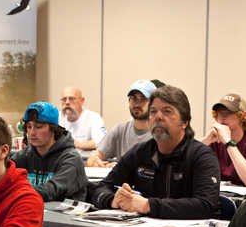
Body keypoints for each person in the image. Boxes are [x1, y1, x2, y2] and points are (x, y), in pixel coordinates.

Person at [91, 85, 220, 219]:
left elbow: (207, 205)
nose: (158, 117)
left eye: (167, 111)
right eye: (153, 111)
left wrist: (149, 205)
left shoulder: (201, 156)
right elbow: (101, 188)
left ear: (185, 122)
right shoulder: (140, 152)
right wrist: (112, 200)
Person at [10, 101, 87, 227]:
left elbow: (50, 190)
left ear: (53, 129)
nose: (32, 132)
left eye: (39, 127)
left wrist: (12, 194)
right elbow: (3, 177)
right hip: (33, 223)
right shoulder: (24, 155)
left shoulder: (71, 158)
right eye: (29, 127)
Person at [200, 93, 246, 186]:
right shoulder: (214, 140)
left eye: (229, 112)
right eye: (219, 113)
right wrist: (205, 141)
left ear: (243, 116)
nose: (222, 117)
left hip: (245, 199)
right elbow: (183, 166)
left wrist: (228, 143)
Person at [91, 79, 155, 166]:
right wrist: (96, 163)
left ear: (154, 104)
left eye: (143, 99)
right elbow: (92, 159)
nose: (137, 104)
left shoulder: (159, 133)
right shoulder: (120, 130)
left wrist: (121, 169)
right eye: (133, 98)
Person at [58, 85, 106, 158]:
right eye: (64, 99)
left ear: (82, 101)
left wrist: (75, 144)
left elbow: (101, 142)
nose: (67, 102)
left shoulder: (93, 118)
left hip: (85, 160)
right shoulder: (57, 118)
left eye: (71, 99)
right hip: (61, 159)